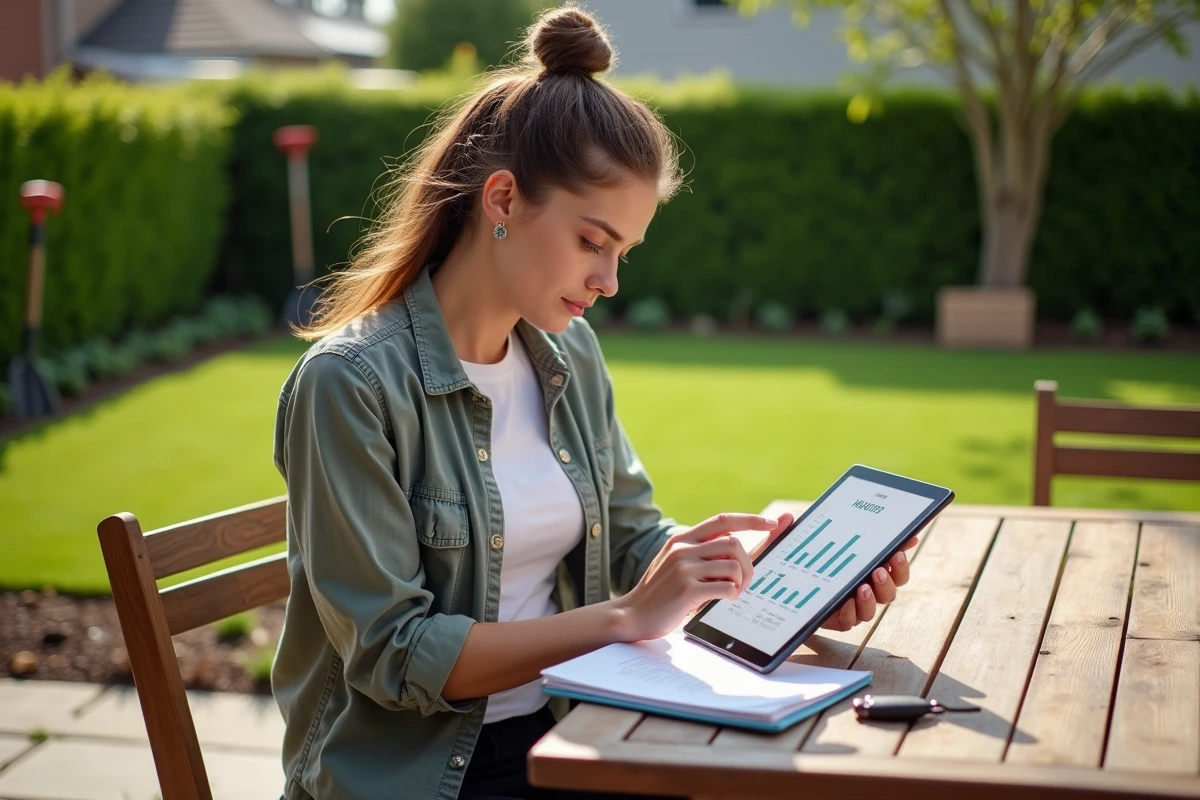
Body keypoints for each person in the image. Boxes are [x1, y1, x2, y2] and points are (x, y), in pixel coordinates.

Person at [271, 5, 917, 799]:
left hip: (568, 730)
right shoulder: (350, 385)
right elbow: (396, 655)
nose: (609, 281)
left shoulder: (566, 353)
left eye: (623, 253)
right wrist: (625, 617)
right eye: (591, 242)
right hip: (418, 776)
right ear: (502, 200)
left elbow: (634, 535)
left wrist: (769, 583)